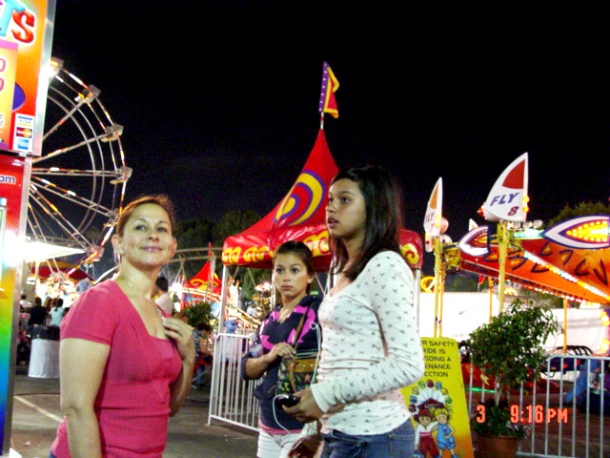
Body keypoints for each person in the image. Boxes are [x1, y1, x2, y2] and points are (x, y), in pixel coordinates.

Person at [284, 165, 425, 458]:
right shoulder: (346, 270)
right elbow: (338, 358)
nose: (331, 207)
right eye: (330, 200)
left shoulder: (385, 265)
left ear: (373, 208)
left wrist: (324, 396)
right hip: (341, 434)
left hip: (374, 436)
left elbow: (409, 363)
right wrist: (314, 431)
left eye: (345, 200)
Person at [49, 194, 195, 458]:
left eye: (161, 229)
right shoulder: (98, 303)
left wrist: (188, 357)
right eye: (141, 227)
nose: (153, 235)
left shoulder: (160, 312)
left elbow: (166, 408)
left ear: (172, 246)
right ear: (119, 243)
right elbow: (76, 408)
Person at [241, 241, 322, 458]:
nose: (286, 277)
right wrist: (268, 357)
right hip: (268, 423)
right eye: (280, 270)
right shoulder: (269, 320)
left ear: (310, 275)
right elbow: (246, 368)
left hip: (304, 425)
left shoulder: (321, 312)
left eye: (295, 270)